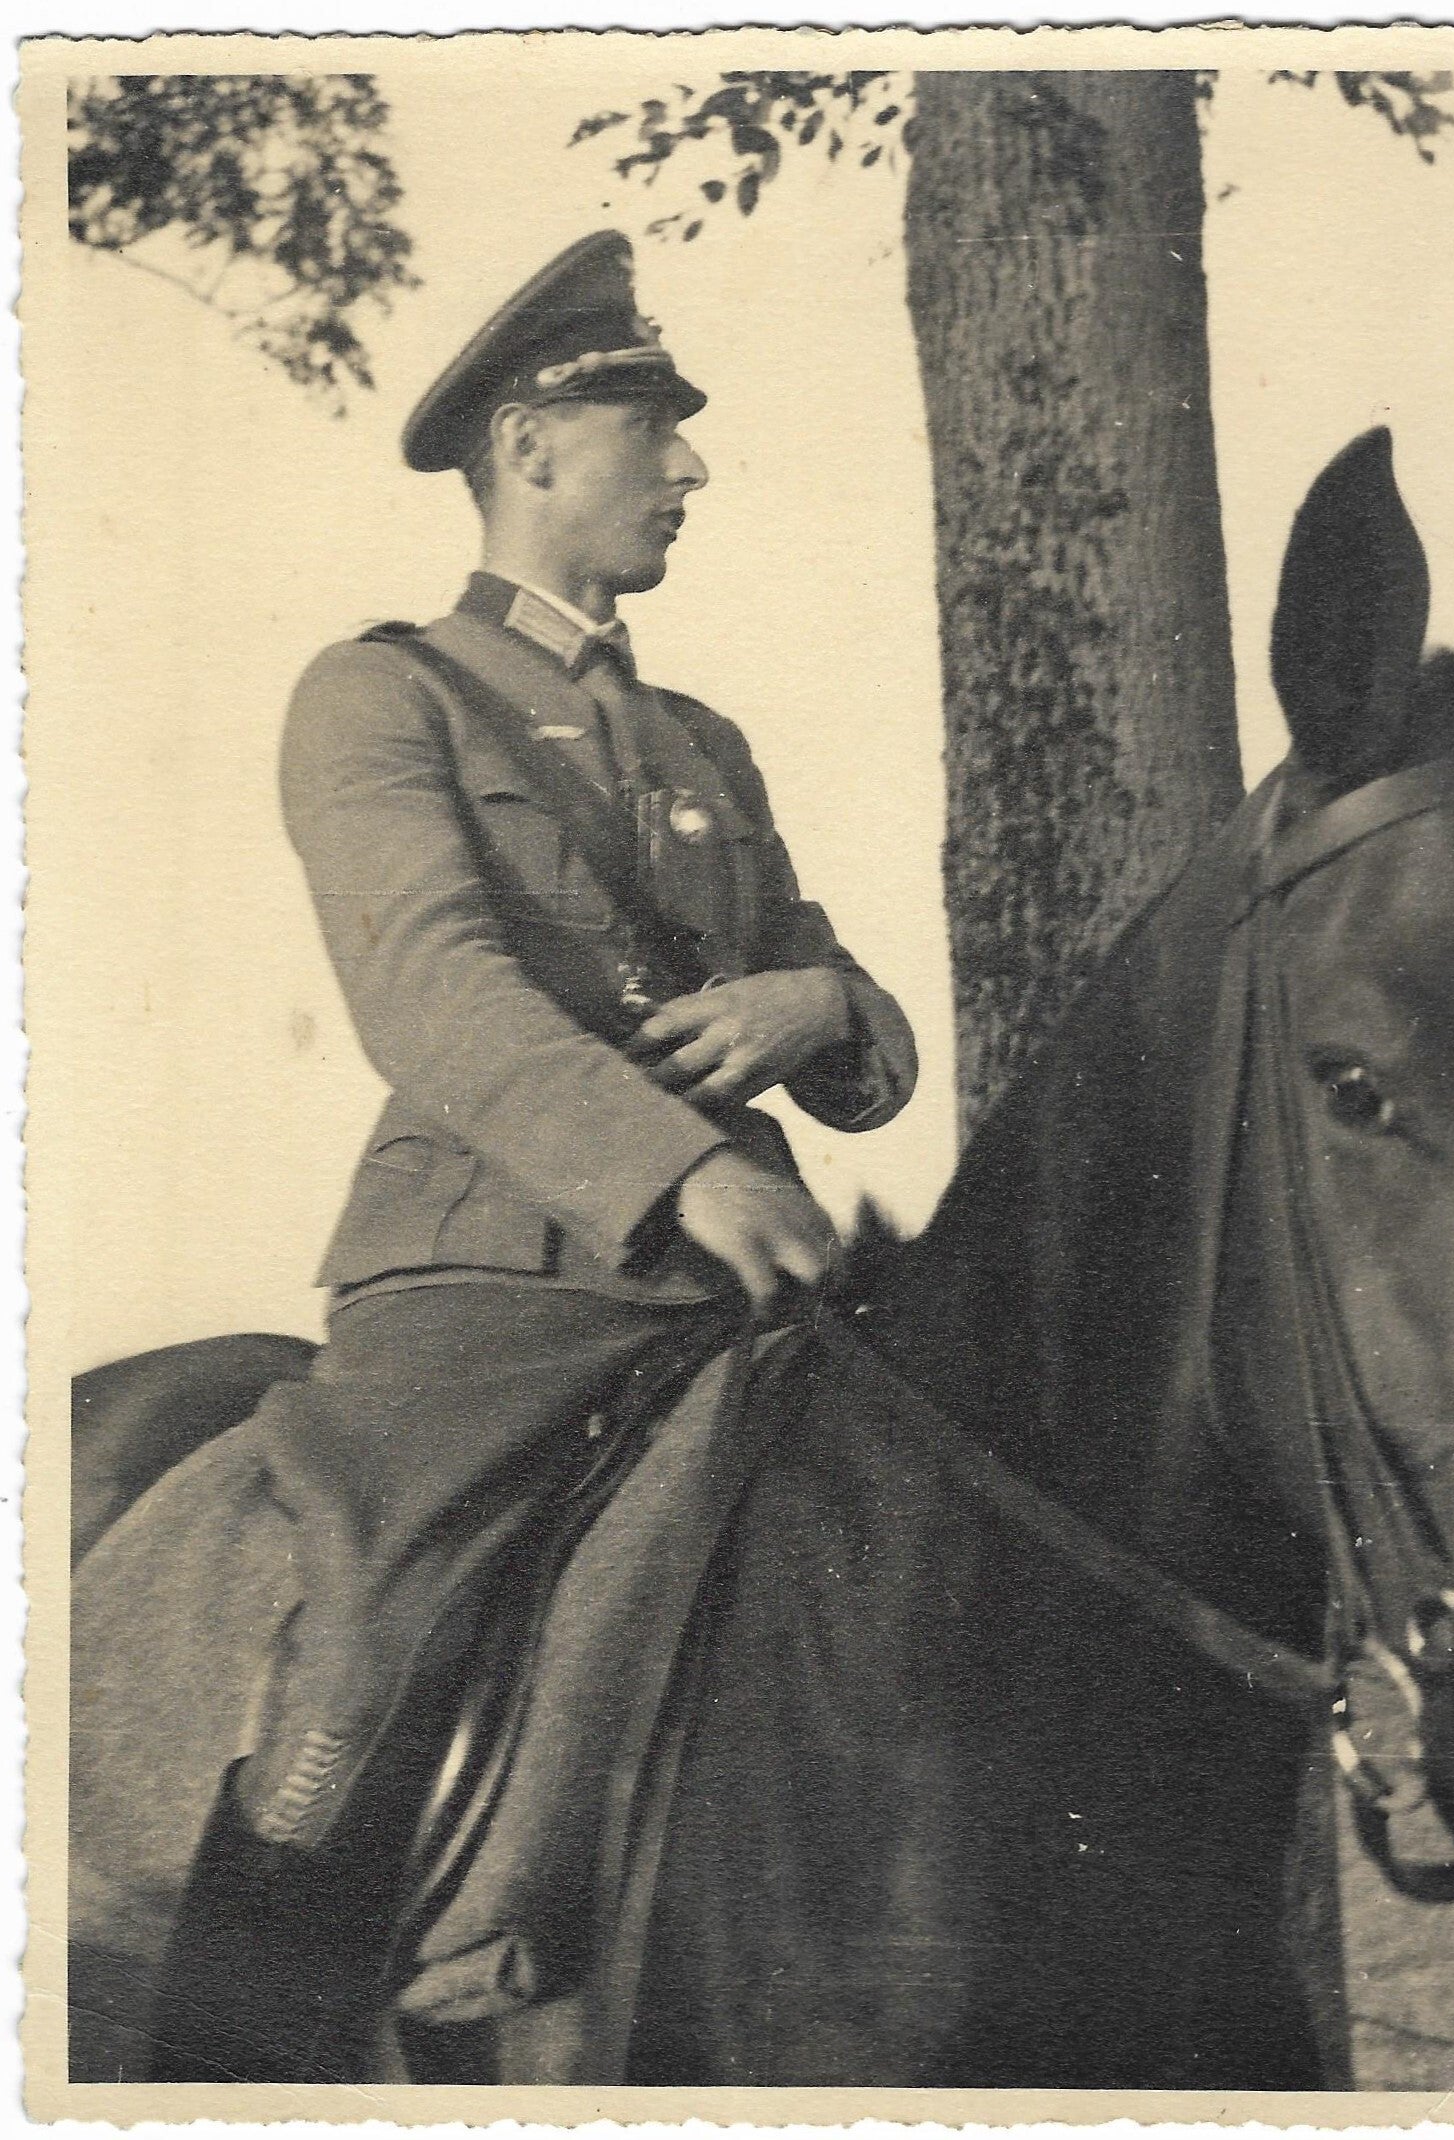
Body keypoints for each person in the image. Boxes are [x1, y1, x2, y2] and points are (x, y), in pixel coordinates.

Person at [148, 230, 916, 2080]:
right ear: (530, 446)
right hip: (494, 1273)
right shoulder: (381, 695)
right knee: (373, 1623)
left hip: (748, 1276)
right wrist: (678, 1170)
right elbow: (431, 991)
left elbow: (860, 1065)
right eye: (655, 430)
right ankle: (231, 2064)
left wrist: (821, 1001)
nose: (691, 468)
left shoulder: (703, 742)